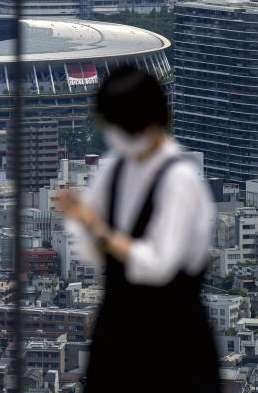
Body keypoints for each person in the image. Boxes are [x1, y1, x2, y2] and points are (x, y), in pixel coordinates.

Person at [58, 65, 220, 392]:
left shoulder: (180, 179)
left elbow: (157, 265)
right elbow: (90, 253)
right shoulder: (115, 169)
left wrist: (93, 225)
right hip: (117, 331)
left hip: (173, 338)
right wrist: (83, 221)